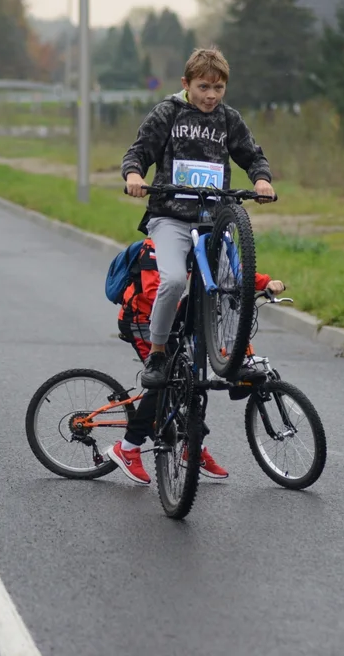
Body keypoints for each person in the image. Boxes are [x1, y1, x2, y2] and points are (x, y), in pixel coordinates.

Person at [121, 46, 276, 392]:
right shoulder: (168, 113)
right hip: (170, 217)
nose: (210, 96)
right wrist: (133, 175)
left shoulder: (228, 119)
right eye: (203, 87)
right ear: (186, 84)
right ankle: (158, 353)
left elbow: (252, 155)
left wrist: (261, 179)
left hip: (212, 221)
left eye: (218, 88)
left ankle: (236, 355)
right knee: (174, 280)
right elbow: (139, 151)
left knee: (233, 284)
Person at [108, 236, 286, 485]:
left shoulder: (201, 242)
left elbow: (231, 273)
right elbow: (154, 292)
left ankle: (192, 446)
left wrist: (265, 282)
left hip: (174, 324)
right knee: (165, 379)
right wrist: (190, 301)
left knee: (192, 378)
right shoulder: (159, 244)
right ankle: (127, 448)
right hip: (142, 321)